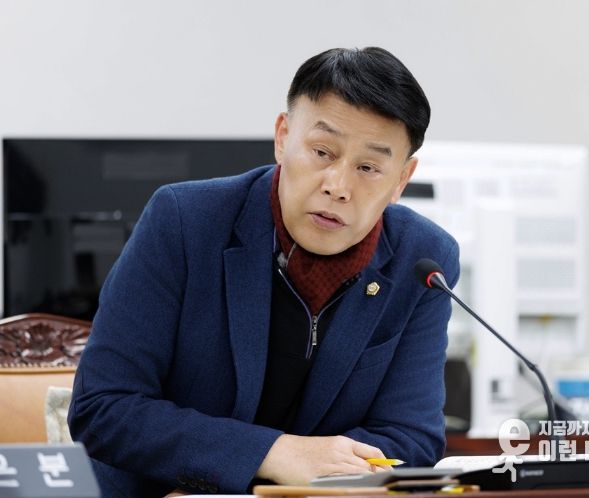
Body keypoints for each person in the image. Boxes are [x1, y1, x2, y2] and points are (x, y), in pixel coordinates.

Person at [68, 46, 460, 497]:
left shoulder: (423, 259)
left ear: (401, 180)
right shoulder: (184, 221)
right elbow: (103, 408)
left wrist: (294, 484)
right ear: (282, 137)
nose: (338, 186)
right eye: (322, 151)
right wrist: (273, 455)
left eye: (369, 167)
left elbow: (411, 438)